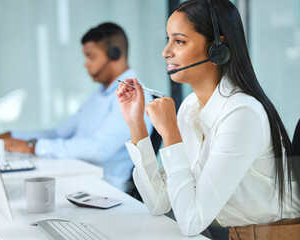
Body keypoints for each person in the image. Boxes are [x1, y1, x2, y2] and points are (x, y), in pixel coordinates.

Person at [116, 0, 300, 239]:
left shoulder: (242, 114)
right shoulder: (191, 107)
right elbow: (159, 203)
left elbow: (191, 222)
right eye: (168, 39)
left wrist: (171, 135)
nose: (166, 52)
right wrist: (136, 124)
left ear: (217, 49)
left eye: (179, 41)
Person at [0, 22, 153, 191]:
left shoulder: (133, 97)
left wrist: (33, 147)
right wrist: (12, 137)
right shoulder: (100, 94)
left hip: (105, 190)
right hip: (79, 179)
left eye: (91, 56)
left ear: (115, 54)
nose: (86, 63)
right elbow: (58, 133)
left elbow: (99, 149)